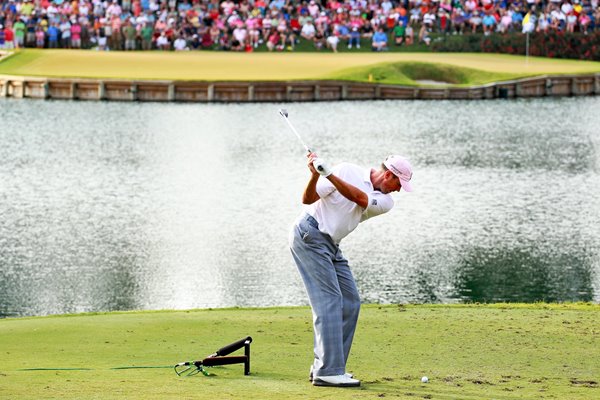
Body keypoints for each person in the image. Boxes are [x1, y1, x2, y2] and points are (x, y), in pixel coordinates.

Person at [289, 153, 413, 388]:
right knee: (330, 300)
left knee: (350, 301)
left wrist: (329, 175)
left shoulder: (386, 202)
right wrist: (315, 176)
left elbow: (358, 197)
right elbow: (307, 199)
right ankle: (328, 371)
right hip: (309, 235)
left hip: (332, 244)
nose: (399, 190)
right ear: (388, 174)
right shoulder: (347, 170)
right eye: (399, 184)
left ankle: (327, 366)